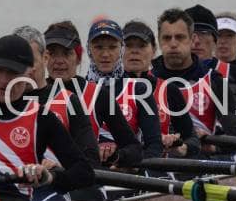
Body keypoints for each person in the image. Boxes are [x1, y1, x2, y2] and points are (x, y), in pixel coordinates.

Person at [0, 35, 94, 201]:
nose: (4, 80)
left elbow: (84, 172)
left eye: (12, 73)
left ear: (28, 72)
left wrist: (49, 177)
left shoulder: (41, 118)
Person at [43, 20, 142, 169]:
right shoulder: (31, 96)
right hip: (42, 177)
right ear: (44, 58)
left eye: (66, 53)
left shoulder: (98, 96)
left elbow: (134, 149)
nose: (59, 61)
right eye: (52, 54)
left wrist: (115, 156)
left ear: (78, 58)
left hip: (84, 177)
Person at [151, 8, 236, 157]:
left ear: (192, 40)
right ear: (159, 41)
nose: (173, 44)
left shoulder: (214, 81)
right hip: (155, 161)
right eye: (167, 38)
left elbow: (235, 137)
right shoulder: (144, 81)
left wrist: (212, 147)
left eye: (180, 37)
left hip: (199, 161)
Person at [13, 25, 100, 169]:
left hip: (57, 178)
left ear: (45, 58)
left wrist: (60, 168)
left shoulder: (68, 102)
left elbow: (91, 162)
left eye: (30, 62)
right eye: (18, 63)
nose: (24, 69)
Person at [86, 18, 163, 160]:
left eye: (112, 47)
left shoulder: (139, 90)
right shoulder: (77, 90)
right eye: (98, 47)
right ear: (89, 50)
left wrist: (125, 161)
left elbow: (154, 146)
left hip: (125, 168)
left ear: (121, 50)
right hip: (89, 168)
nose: (105, 54)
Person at [122, 19, 199, 158]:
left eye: (141, 46)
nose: (134, 51)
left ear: (153, 51)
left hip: (157, 166)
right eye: (128, 45)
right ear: (119, 50)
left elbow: (193, 140)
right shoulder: (106, 90)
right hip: (119, 166)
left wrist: (180, 147)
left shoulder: (169, 90)